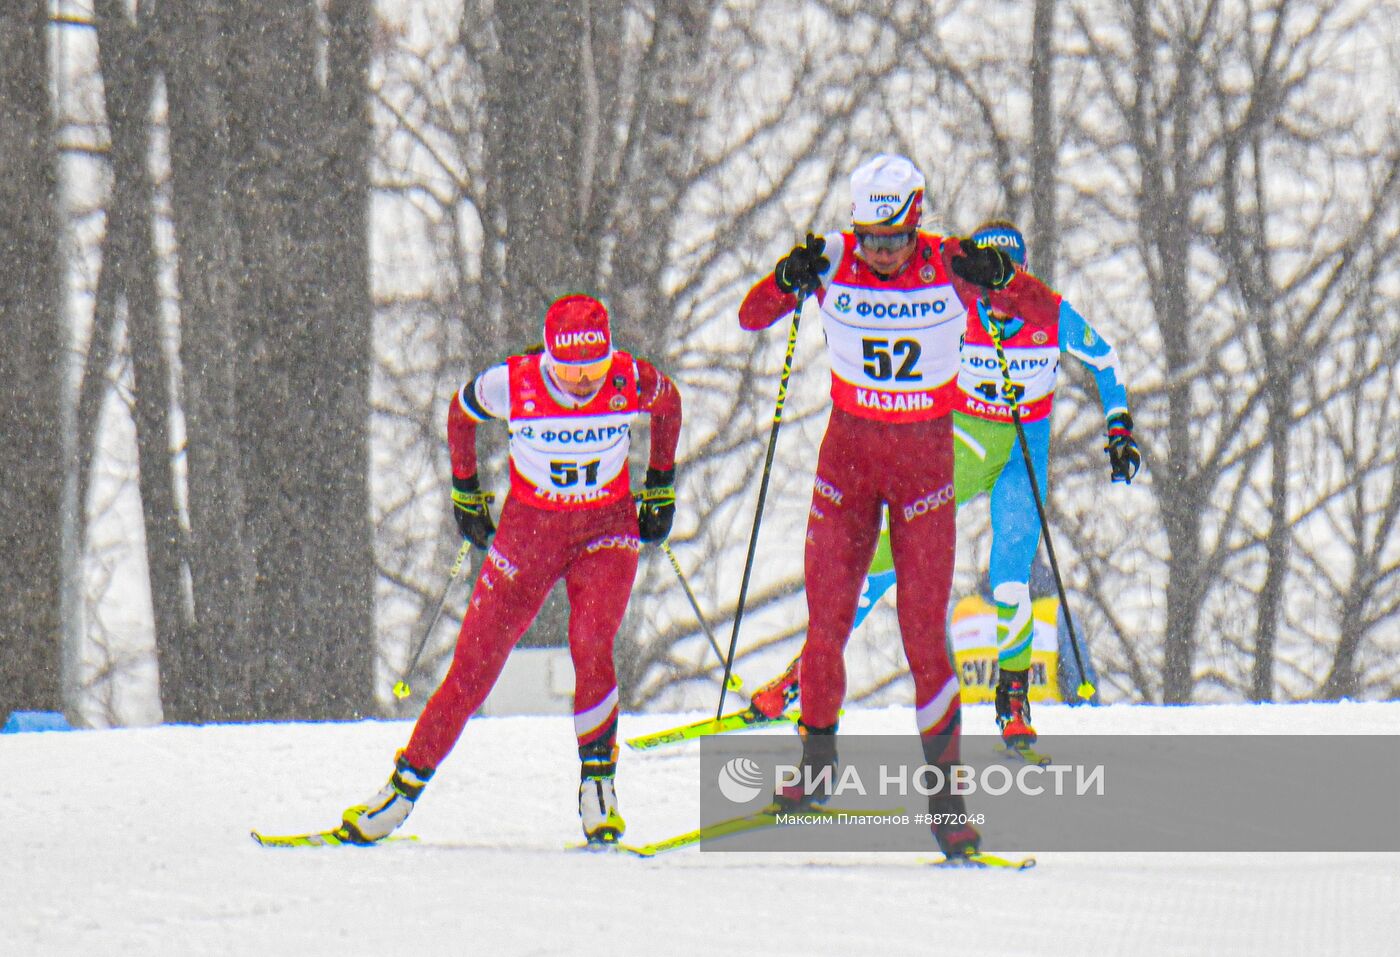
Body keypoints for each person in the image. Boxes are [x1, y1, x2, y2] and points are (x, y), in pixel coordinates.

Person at [737, 155, 1065, 857]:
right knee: (825, 626)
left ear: (916, 216)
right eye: (870, 239)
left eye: (892, 240)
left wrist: (1002, 277)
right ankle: (816, 767)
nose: (880, 255)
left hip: (925, 472)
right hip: (846, 469)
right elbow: (751, 315)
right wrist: (785, 279)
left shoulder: (951, 262)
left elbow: (1049, 316)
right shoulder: (832, 256)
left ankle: (948, 804)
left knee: (924, 639)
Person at [751, 220, 1138, 748]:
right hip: (963, 444)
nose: (999, 293)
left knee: (1009, 575)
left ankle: (1014, 699)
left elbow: (1106, 359)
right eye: (990, 281)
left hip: (1022, 456)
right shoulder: (955, 307)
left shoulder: (1049, 312)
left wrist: (1119, 429)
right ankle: (803, 676)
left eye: (1010, 277)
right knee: (882, 560)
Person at [339, 293, 682, 846]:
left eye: (594, 368)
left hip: (606, 531)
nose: (583, 383)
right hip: (530, 535)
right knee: (473, 668)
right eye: (570, 370)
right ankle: (400, 792)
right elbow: (459, 412)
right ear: (548, 359)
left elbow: (669, 405)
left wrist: (661, 481)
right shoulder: (513, 383)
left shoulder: (629, 379)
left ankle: (599, 784)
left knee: (590, 640)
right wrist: (466, 490)